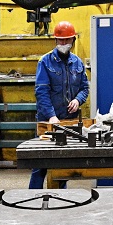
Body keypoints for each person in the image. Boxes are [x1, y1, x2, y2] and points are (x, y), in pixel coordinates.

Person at [29, 20, 90, 189]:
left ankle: (60, 197)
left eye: (66, 40)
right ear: (55, 40)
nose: (63, 43)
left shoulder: (77, 63)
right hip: (48, 121)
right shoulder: (45, 62)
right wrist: (51, 116)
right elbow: (41, 92)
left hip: (68, 121)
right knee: (40, 162)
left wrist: (78, 100)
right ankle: (32, 196)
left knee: (62, 163)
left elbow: (85, 88)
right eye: (60, 40)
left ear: (73, 40)